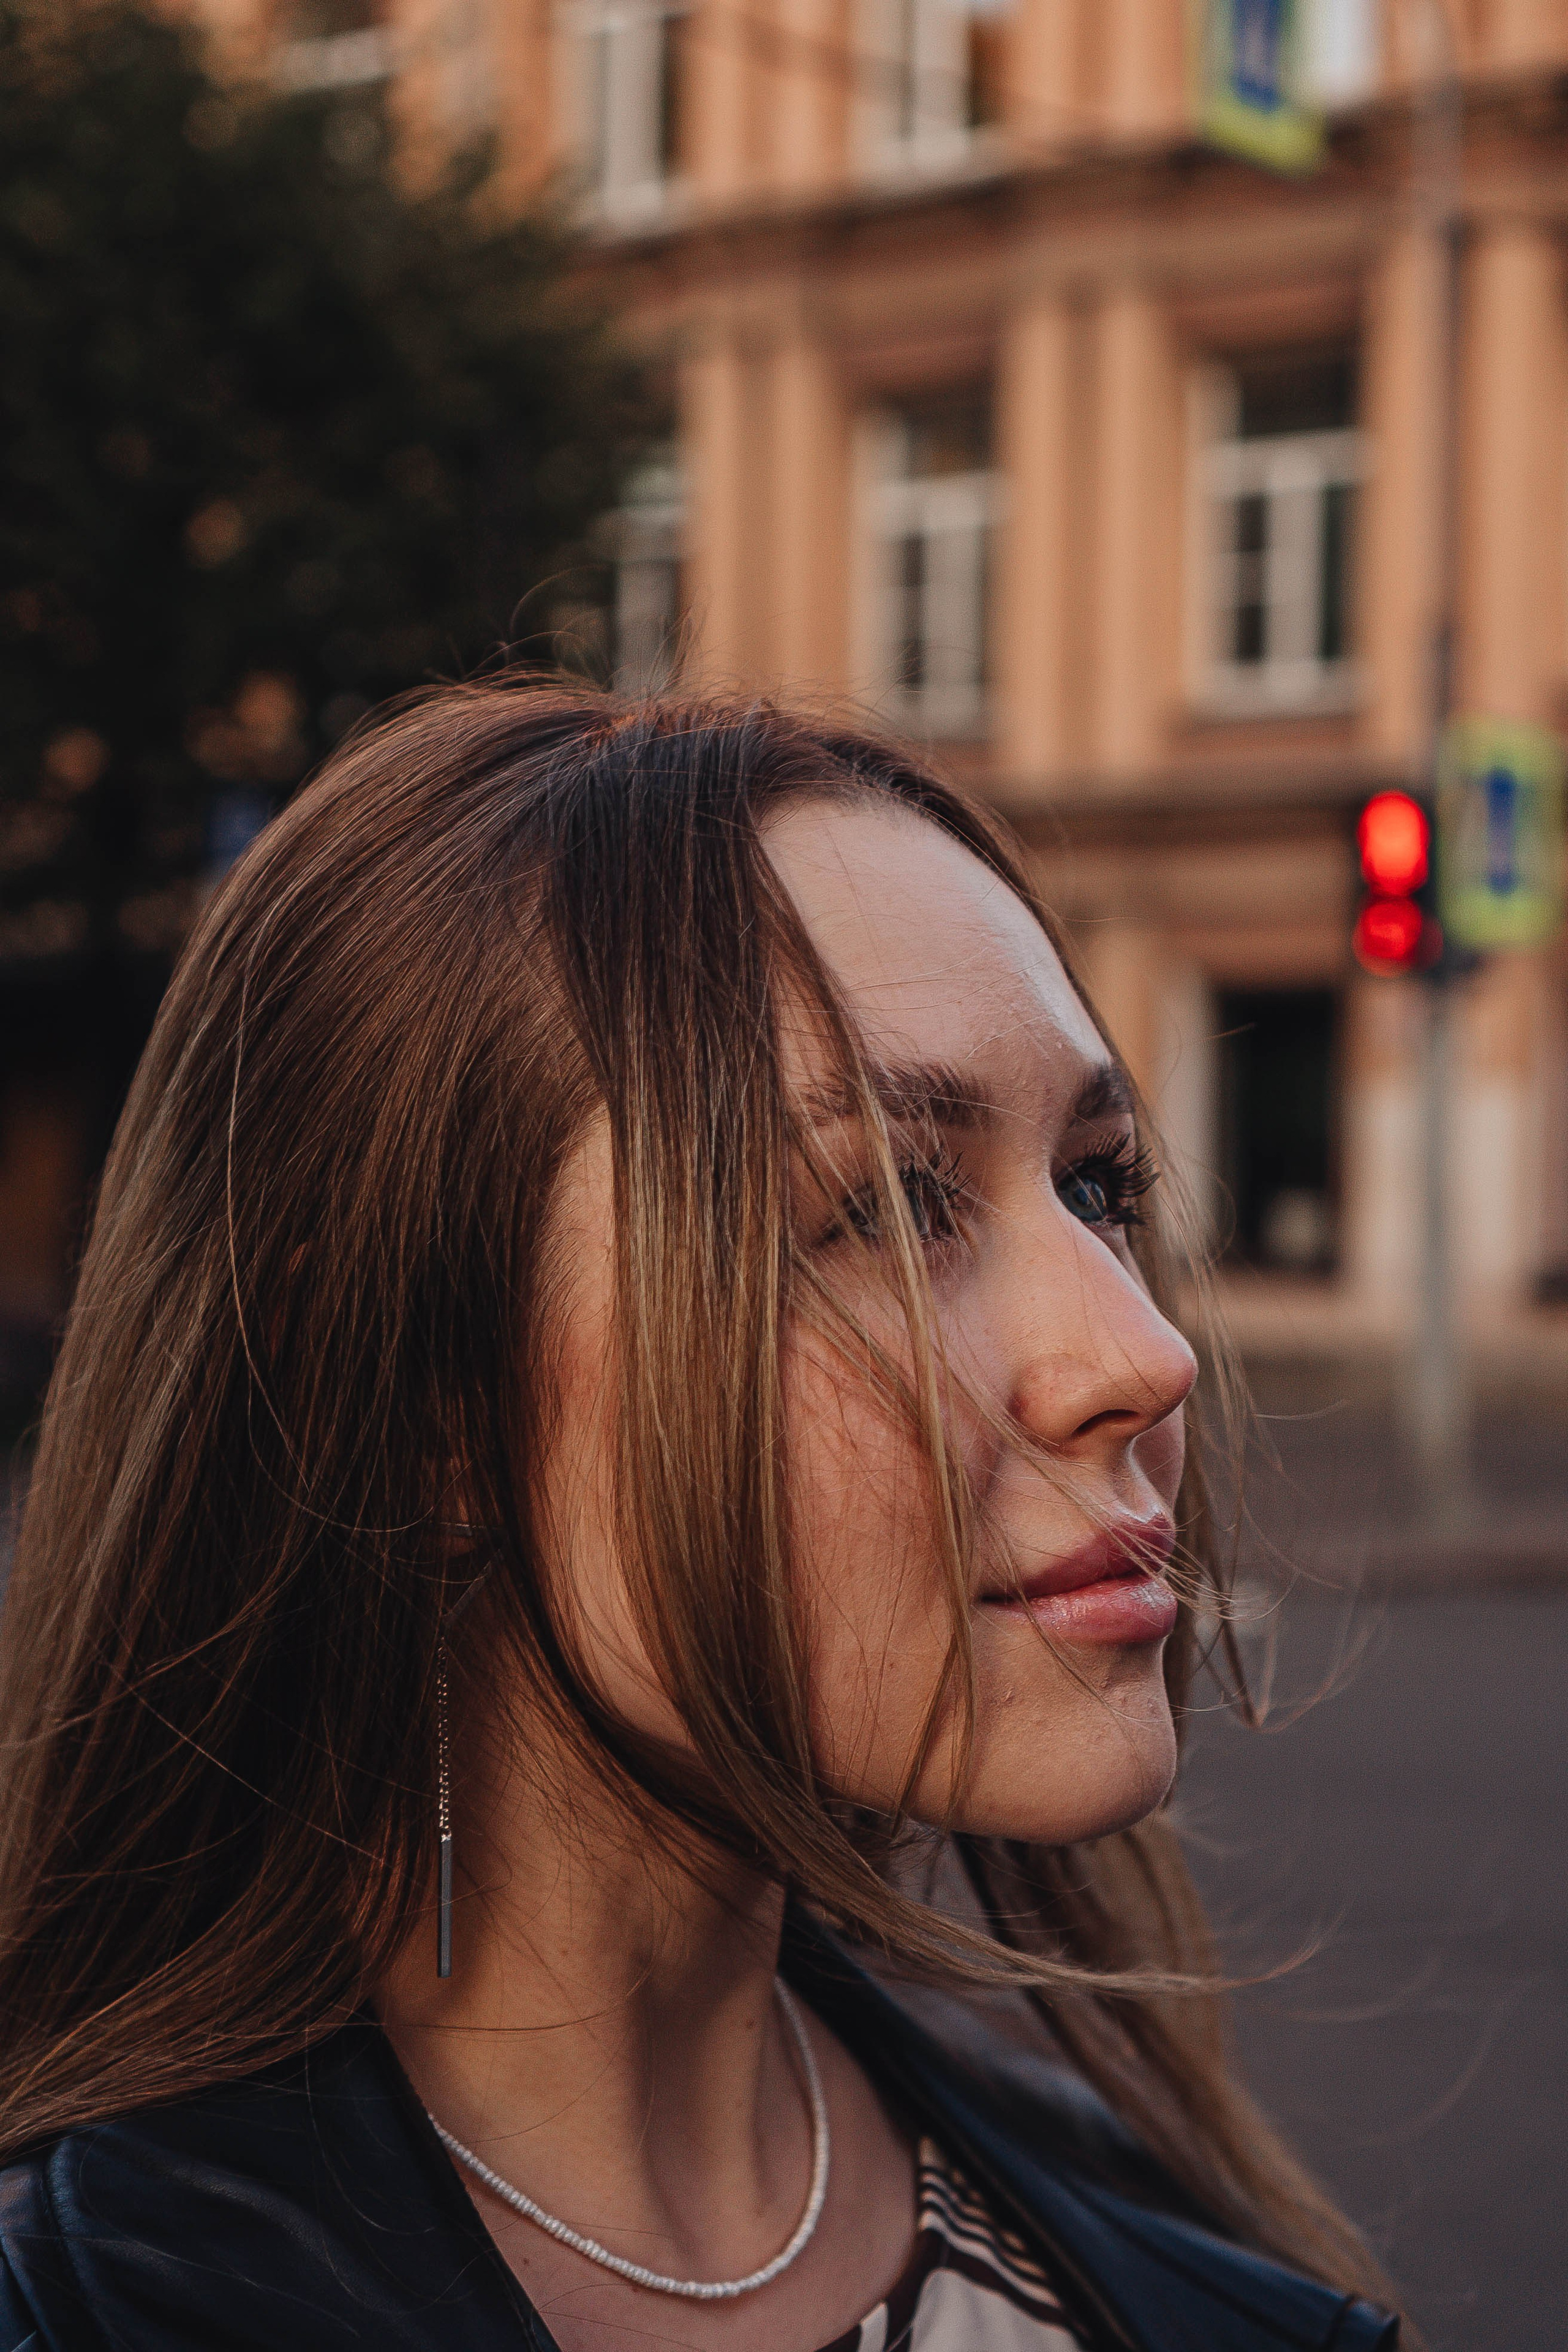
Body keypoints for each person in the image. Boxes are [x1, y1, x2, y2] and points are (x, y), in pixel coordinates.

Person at [0, 690, 1403, 2350]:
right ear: (419, 1400)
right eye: (883, 1206)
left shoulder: (1184, 2282)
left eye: (1096, 1184)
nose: (1141, 1354)